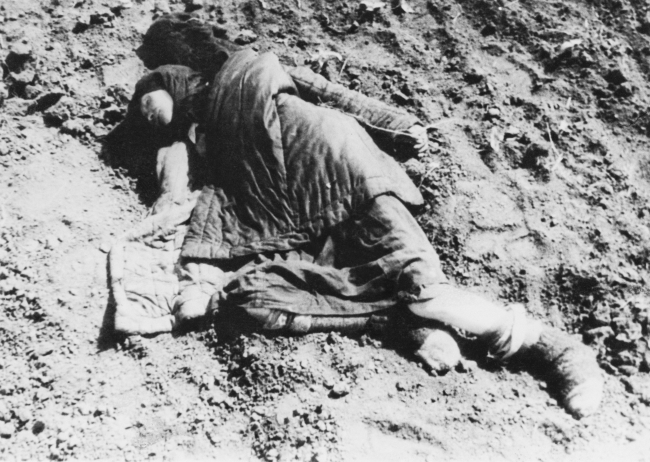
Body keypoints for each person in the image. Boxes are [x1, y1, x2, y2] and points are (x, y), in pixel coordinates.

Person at [107, 22, 604, 419]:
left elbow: (328, 94)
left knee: (418, 283)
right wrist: (193, 260)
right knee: (254, 299)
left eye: (153, 93)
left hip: (340, 166)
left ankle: (551, 347)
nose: (150, 109)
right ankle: (393, 323)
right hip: (282, 209)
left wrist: (398, 126)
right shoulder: (196, 138)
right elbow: (186, 197)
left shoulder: (249, 69)